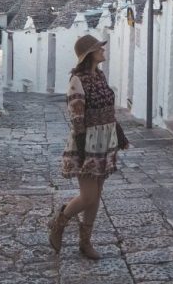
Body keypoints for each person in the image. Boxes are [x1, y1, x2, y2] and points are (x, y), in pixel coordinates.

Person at [48, 34, 129, 259]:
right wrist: (84, 152)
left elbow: (109, 109)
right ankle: (58, 223)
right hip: (87, 144)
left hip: (105, 142)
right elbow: (76, 117)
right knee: (88, 196)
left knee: (97, 194)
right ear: (89, 54)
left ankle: (85, 243)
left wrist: (118, 134)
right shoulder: (77, 80)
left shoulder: (100, 76)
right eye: (99, 48)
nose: (103, 50)